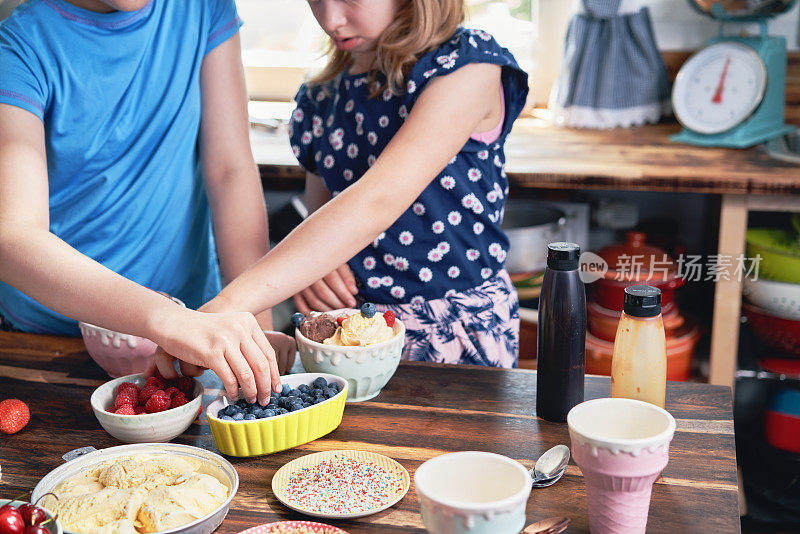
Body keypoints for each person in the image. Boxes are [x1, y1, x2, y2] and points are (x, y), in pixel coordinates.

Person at [195, 0, 529, 367]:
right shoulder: (322, 97)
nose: (330, 20)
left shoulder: (468, 65)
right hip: (351, 337)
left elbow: (376, 200)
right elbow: (324, 223)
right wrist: (314, 270)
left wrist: (225, 307)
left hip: (460, 332)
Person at [0, 0, 294, 405]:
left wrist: (253, 331)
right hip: (51, 343)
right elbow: (13, 238)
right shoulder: (18, 46)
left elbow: (230, 172)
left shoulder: (202, 7)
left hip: (189, 343)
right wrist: (168, 321)